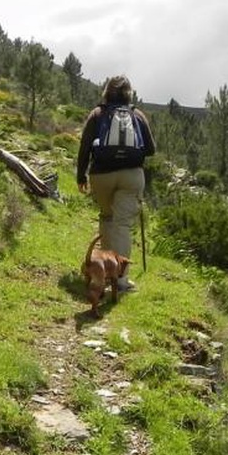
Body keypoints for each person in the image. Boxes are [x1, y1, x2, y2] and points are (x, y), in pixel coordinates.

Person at [76, 75, 156, 292]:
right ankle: (119, 280)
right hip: (131, 176)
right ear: (129, 93)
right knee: (122, 225)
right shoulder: (137, 115)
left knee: (107, 216)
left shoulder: (97, 114)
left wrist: (81, 176)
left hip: (101, 175)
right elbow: (151, 149)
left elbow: (85, 148)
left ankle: (104, 269)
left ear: (106, 92)